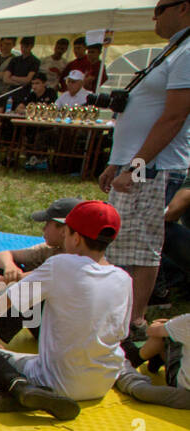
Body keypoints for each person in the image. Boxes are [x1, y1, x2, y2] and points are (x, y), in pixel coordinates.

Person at [0, 201, 131, 420]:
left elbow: (5, 302)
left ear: (76, 237)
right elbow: (121, 333)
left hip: (57, 382)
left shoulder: (60, 264)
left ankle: (16, 391)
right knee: (22, 356)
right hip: (103, 383)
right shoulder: (124, 278)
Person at [98, 0, 190, 335]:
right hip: (140, 165)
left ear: (183, 8)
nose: (154, 15)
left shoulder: (186, 52)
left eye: (161, 7)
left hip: (154, 168)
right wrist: (117, 163)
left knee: (143, 248)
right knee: (123, 242)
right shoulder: (174, 50)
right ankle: (123, 314)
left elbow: (173, 118)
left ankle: (132, 320)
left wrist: (134, 166)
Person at [116, 313, 190, 408]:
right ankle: (154, 357)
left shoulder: (187, 321)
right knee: (172, 330)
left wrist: (168, 324)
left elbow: (151, 331)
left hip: (181, 386)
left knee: (163, 334)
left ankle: (137, 357)